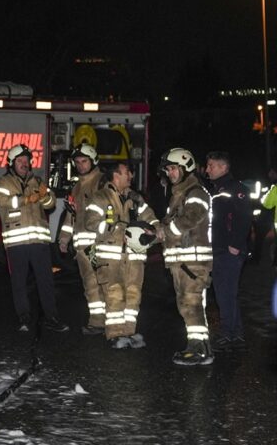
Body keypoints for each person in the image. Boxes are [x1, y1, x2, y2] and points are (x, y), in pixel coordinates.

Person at [0, 144, 69, 333]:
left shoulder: (37, 181)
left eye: (26, 161)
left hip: (39, 242)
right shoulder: (4, 183)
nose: (24, 164)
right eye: (20, 161)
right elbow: (0, 201)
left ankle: (51, 317)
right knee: (19, 282)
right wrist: (25, 200)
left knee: (46, 281)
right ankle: (24, 317)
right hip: (16, 243)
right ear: (12, 163)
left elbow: (50, 203)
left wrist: (44, 196)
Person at [83, 162, 160, 348]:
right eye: (127, 173)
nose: (131, 176)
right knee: (114, 294)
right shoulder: (100, 198)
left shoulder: (136, 199)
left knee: (134, 294)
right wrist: (120, 229)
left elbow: (151, 218)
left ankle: (129, 332)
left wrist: (155, 230)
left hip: (134, 257)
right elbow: (91, 224)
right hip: (110, 257)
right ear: (115, 176)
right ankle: (115, 334)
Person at [159, 148, 214, 366]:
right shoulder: (180, 194)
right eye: (168, 170)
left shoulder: (196, 192)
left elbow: (192, 217)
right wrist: (154, 233)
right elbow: (169, 222)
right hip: (182, 262)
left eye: (173, 168)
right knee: (187, 305)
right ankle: (201, 348)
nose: (170, 173)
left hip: (193, 262)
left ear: (186, 167)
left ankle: (198, 349)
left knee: (191, 304)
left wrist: (168, 230)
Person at [57, 142, 107, 334]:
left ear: (93, 161)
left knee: (102, 283)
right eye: (77, 162)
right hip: (82, 248)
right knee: (90, 285)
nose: (80, 165)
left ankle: (105, 323)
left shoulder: (102, 183)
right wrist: (63, 239)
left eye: (84, 161)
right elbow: (71, 216)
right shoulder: (76, 187)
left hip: (97, 245)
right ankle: (97, 322)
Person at [203, 151, 251, 352]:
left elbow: (244, 217)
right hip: (220, 249)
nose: (207, 169)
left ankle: (227, 334)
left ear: (223, 167)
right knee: (228, 293)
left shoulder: (235, 189)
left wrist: (235, 244)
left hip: (228, 251)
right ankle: (236, 333)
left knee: (224, 294)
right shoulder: (216, 189)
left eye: (211, 165)